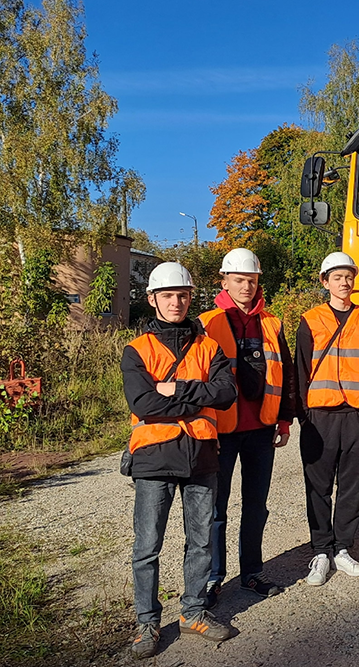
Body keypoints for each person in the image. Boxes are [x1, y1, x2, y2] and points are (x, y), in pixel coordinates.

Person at [121, 262, 237, 659]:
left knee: (201, 541)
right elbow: (143, 402)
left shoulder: (208, 346)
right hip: (154, 458)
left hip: (202, 456)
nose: (176, 302)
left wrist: (177, 388)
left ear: (191, 297)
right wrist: (196, 394)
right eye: (168, 295)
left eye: (182, 295)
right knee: (147, 546)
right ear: (152, 299)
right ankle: (147, 623)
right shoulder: (137, 350)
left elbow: (225, 394)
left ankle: (193, 612)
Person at [199, 248, 295, 605]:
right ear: (224, 281)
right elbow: (197, 377)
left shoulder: (272, 323)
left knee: (256, 505)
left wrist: (284, 418)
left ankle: (252, 573)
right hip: (221, 431)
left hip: (261, 429)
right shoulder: (206, 323)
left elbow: (285, 374)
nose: (246, 287)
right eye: (239, 280)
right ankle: (213, 578)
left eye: (251, 281)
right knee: (215, 508)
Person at [296, 252, 359, 585]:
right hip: (320, 415)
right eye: (337, 277)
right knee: (318, 488)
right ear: (325, 282)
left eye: (349, 277)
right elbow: (300, 370)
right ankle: (321, 551)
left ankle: (343, 549)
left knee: (350, 488)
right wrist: (304, 416)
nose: (344, 283)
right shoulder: (311, 319)